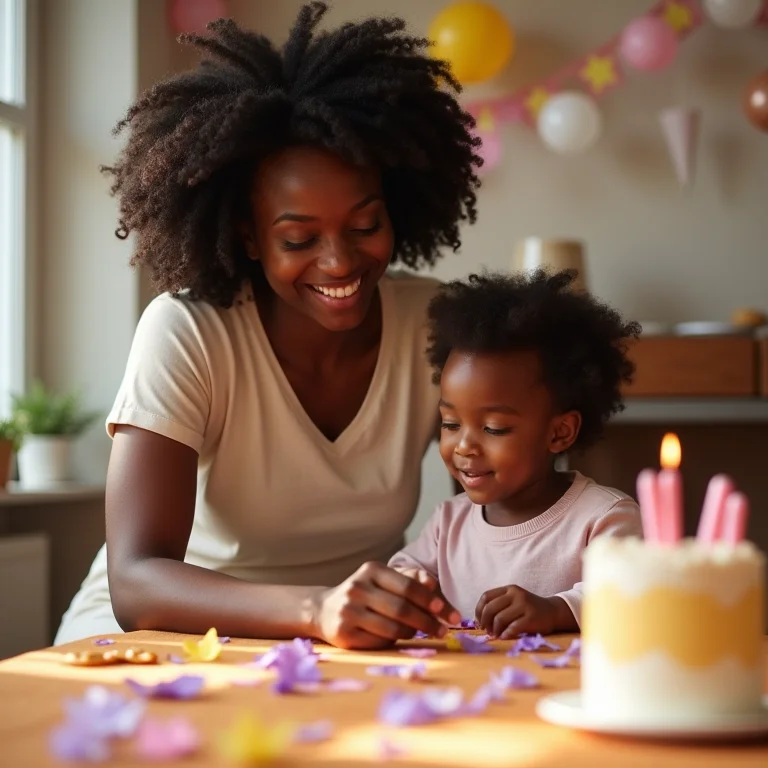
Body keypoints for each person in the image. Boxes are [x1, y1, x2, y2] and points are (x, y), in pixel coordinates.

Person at [54, 2, 480, 648]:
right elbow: (136, 582)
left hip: (346, 645)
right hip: (164, 639)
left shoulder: (435, 324)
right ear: (250, 237)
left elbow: (491, 520)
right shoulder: (189, 332)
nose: (339, 261)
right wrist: (314, 610)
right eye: (299, 238)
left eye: (365, 226)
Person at [389, 270, 644, 638]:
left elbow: (629, 595)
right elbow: (404, 569)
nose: (463, 446)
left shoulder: (603, 519)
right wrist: (410, 584)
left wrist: (555, 610)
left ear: (559, 432)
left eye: (493, 428)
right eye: (450, 423)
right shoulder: (449, 522)